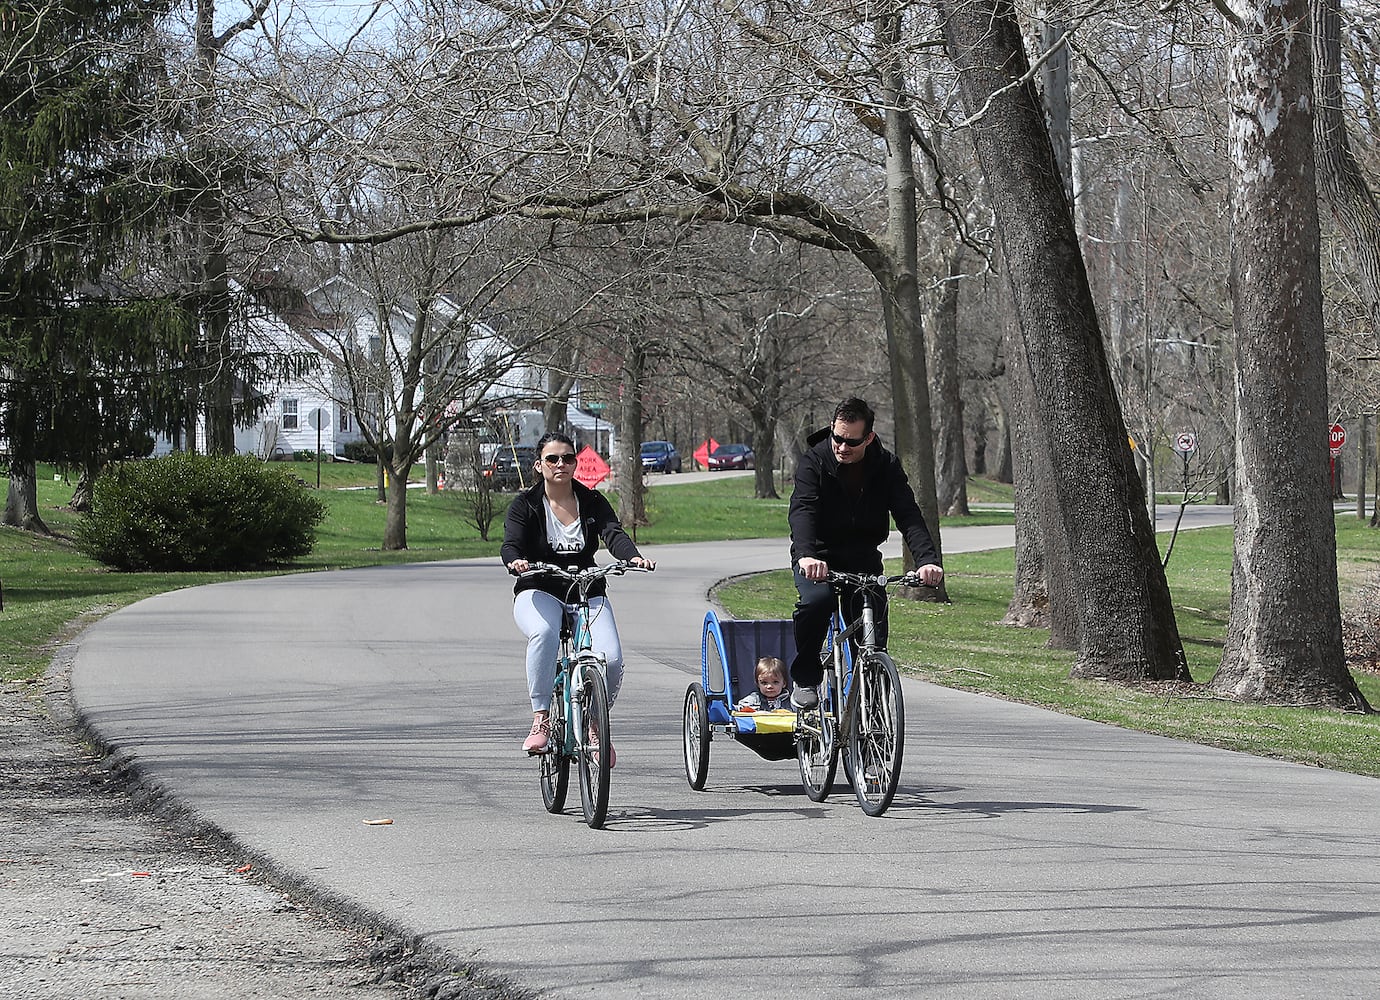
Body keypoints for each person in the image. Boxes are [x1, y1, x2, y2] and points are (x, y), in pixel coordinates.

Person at [501, 432, 654, 761]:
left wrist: (632, 557)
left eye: (568, 458)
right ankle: (541, 718)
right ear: (539, 465)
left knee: (610, 658)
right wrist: (515, 561)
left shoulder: (593, 501)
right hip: (538, 587)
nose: (561, 464)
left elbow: (613, 533)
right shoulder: (525, 505)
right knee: (544, 633)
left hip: (587, 589)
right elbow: (511, 542)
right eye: (553, 459)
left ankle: (595, 722)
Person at [787, 397, 943, 709]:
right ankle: (805, 678)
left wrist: (927, 561)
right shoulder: (814, 461)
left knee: (872, 627)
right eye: (838, 438)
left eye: (852, 442)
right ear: (832, 428)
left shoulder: (885, 466)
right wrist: (806, 555)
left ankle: (871, 709)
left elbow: (909, 515)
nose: (842, 447)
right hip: (818, 557)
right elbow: (802, 509)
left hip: (863, 559)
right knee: (817, 603)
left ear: (869, 437)